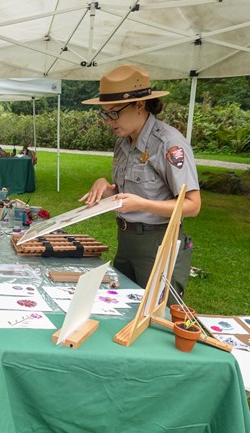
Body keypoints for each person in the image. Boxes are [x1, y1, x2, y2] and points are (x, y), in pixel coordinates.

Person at [79, 64, 200, 305]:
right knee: (123, 308)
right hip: (127, 240)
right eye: (105, 114)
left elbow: (192, 205)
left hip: (158, 243)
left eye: (114, 113)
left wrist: (142, 204)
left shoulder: (168, 143)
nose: (109, 121)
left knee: (156, 315)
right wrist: (108, 187)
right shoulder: (124, 141)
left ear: (139, 105)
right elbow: (130, 190)